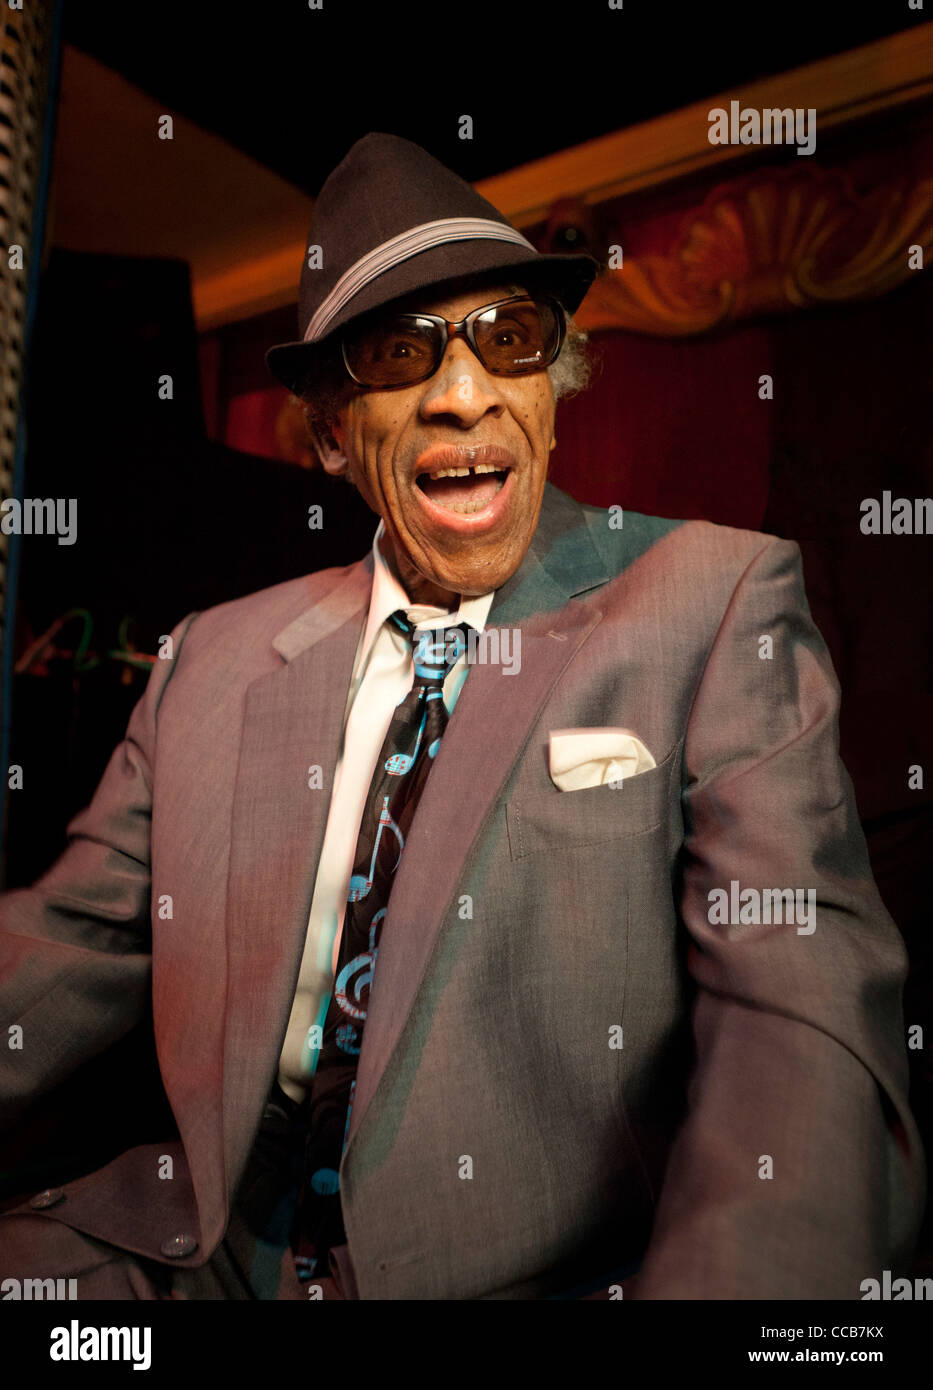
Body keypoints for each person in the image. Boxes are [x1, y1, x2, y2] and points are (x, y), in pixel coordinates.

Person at [0, 132, 924, 1301]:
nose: (464, 391)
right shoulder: (214, 656)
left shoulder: (713, 601)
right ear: (333, 432)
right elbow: (57, 947)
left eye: (510, 337)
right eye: (400, 352)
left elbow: (800, 1017)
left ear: (551, 389)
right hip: (200, 1253)